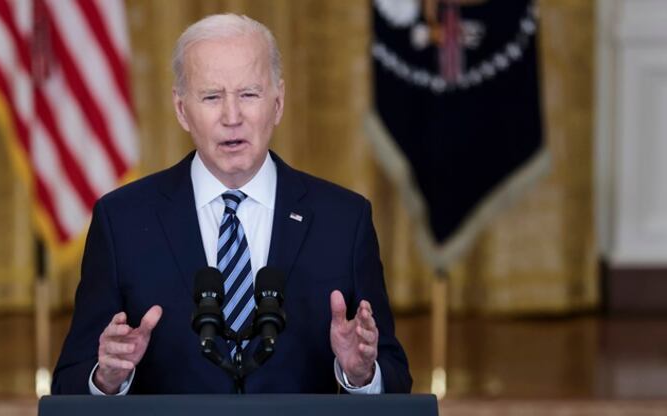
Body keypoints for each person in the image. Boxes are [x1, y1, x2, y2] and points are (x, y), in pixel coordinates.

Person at [52, 13, 410, 395]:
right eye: (211, 96)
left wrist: (360, 375)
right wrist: (108, 376)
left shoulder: (343, 221)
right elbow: (71, 382)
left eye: (249, 95)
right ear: (181, 109)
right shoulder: (122, 221)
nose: (232, 116)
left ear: (278, 102)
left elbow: (395, 378)